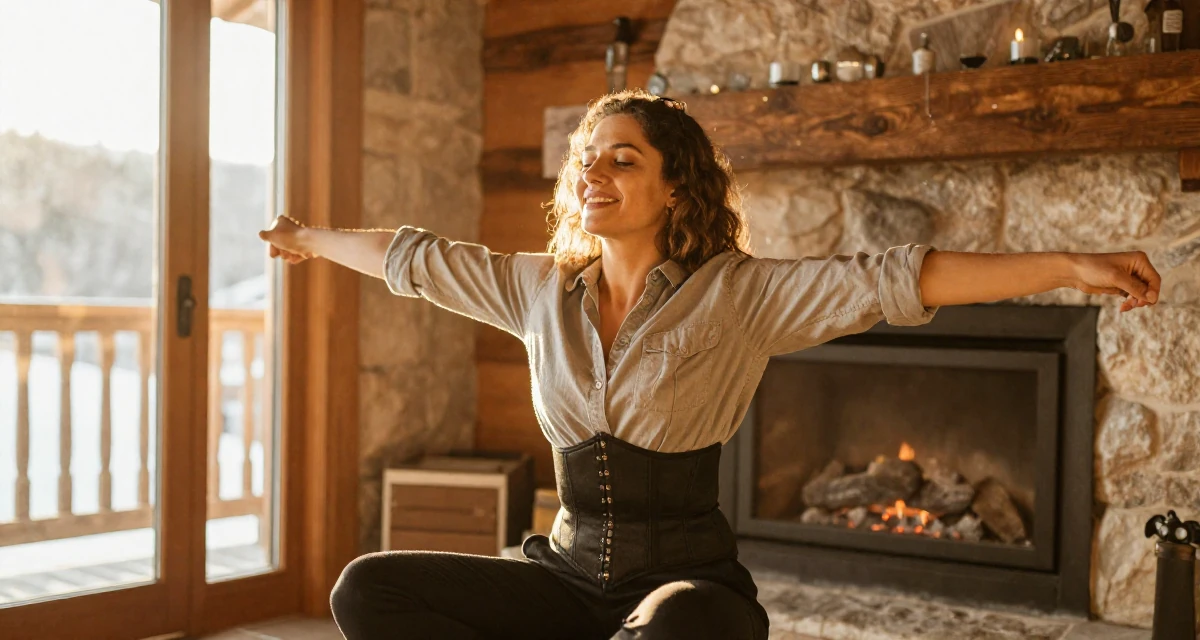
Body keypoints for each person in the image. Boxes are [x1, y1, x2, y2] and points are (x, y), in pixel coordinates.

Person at [258, 89, 1161, 640]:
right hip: (567, 582)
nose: (593, 175)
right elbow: (413, 259)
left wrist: (1074, 267)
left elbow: (901, 278)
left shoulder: (739, 294)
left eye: (623, 159)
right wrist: (306, 238)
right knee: (368, 588)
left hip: (687, 591)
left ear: (674, 186)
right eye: (587, 162)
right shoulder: (537, 290)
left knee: (678, 625)